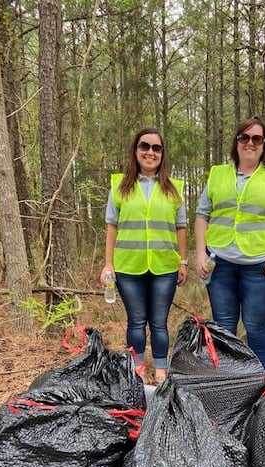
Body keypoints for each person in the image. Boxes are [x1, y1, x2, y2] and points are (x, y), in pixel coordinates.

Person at [195, 116, 265, 372]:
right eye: (244, 137)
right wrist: (200, 253)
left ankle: (259, 379)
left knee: (255, 326)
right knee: (223, 326)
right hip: (220, 266)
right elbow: (201, 214)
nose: (249, 143)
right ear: (237, 141)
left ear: (264, 145)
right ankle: (228, 380)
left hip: (260, 267)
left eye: (257, 138)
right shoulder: (217, 174)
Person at [101, 127, 188, 383]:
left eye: (156, 148)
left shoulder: (174, 188)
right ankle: (137, 368)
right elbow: (111, 226)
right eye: (145, 146)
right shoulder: (120, 185)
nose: (150, 152)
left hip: (164, 266)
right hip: (128, 266)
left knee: (159, 322)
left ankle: (161, 369)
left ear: (162, 154)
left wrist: (183, 261)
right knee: (136, 321)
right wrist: (108, 263)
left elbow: (181, 227)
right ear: (136, 150)